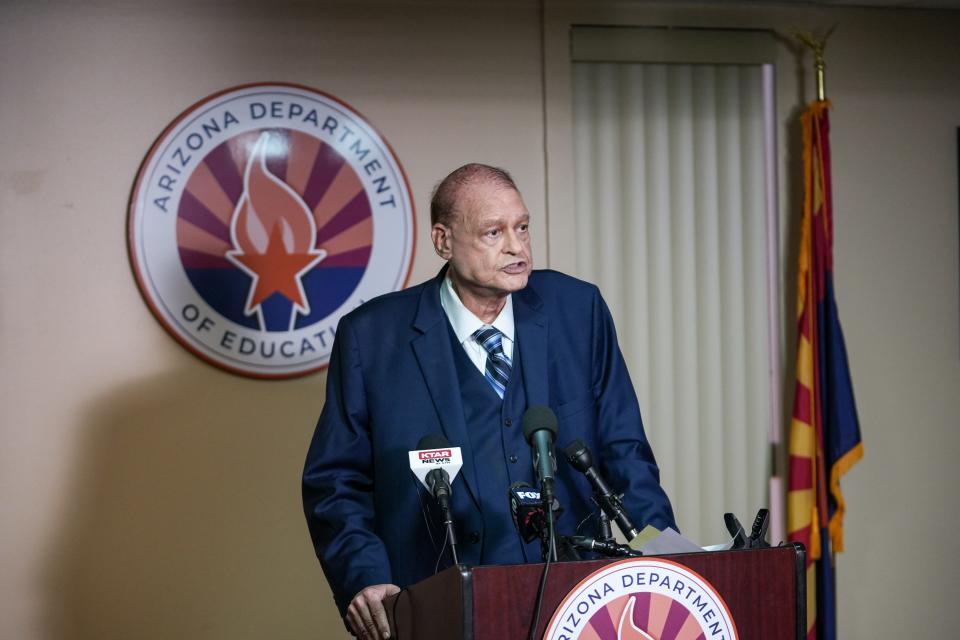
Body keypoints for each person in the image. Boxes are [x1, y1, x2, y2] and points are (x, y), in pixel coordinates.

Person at [302, 163, 676, 639]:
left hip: (578, 603)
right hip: (435, 605)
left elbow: (626, 450)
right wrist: (366, 577)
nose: (518, 247)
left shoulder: (578, 311)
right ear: (443, 241)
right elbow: (335, 481)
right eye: (493, 232)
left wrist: (669, 561)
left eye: (522, 227)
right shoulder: (373, 339)